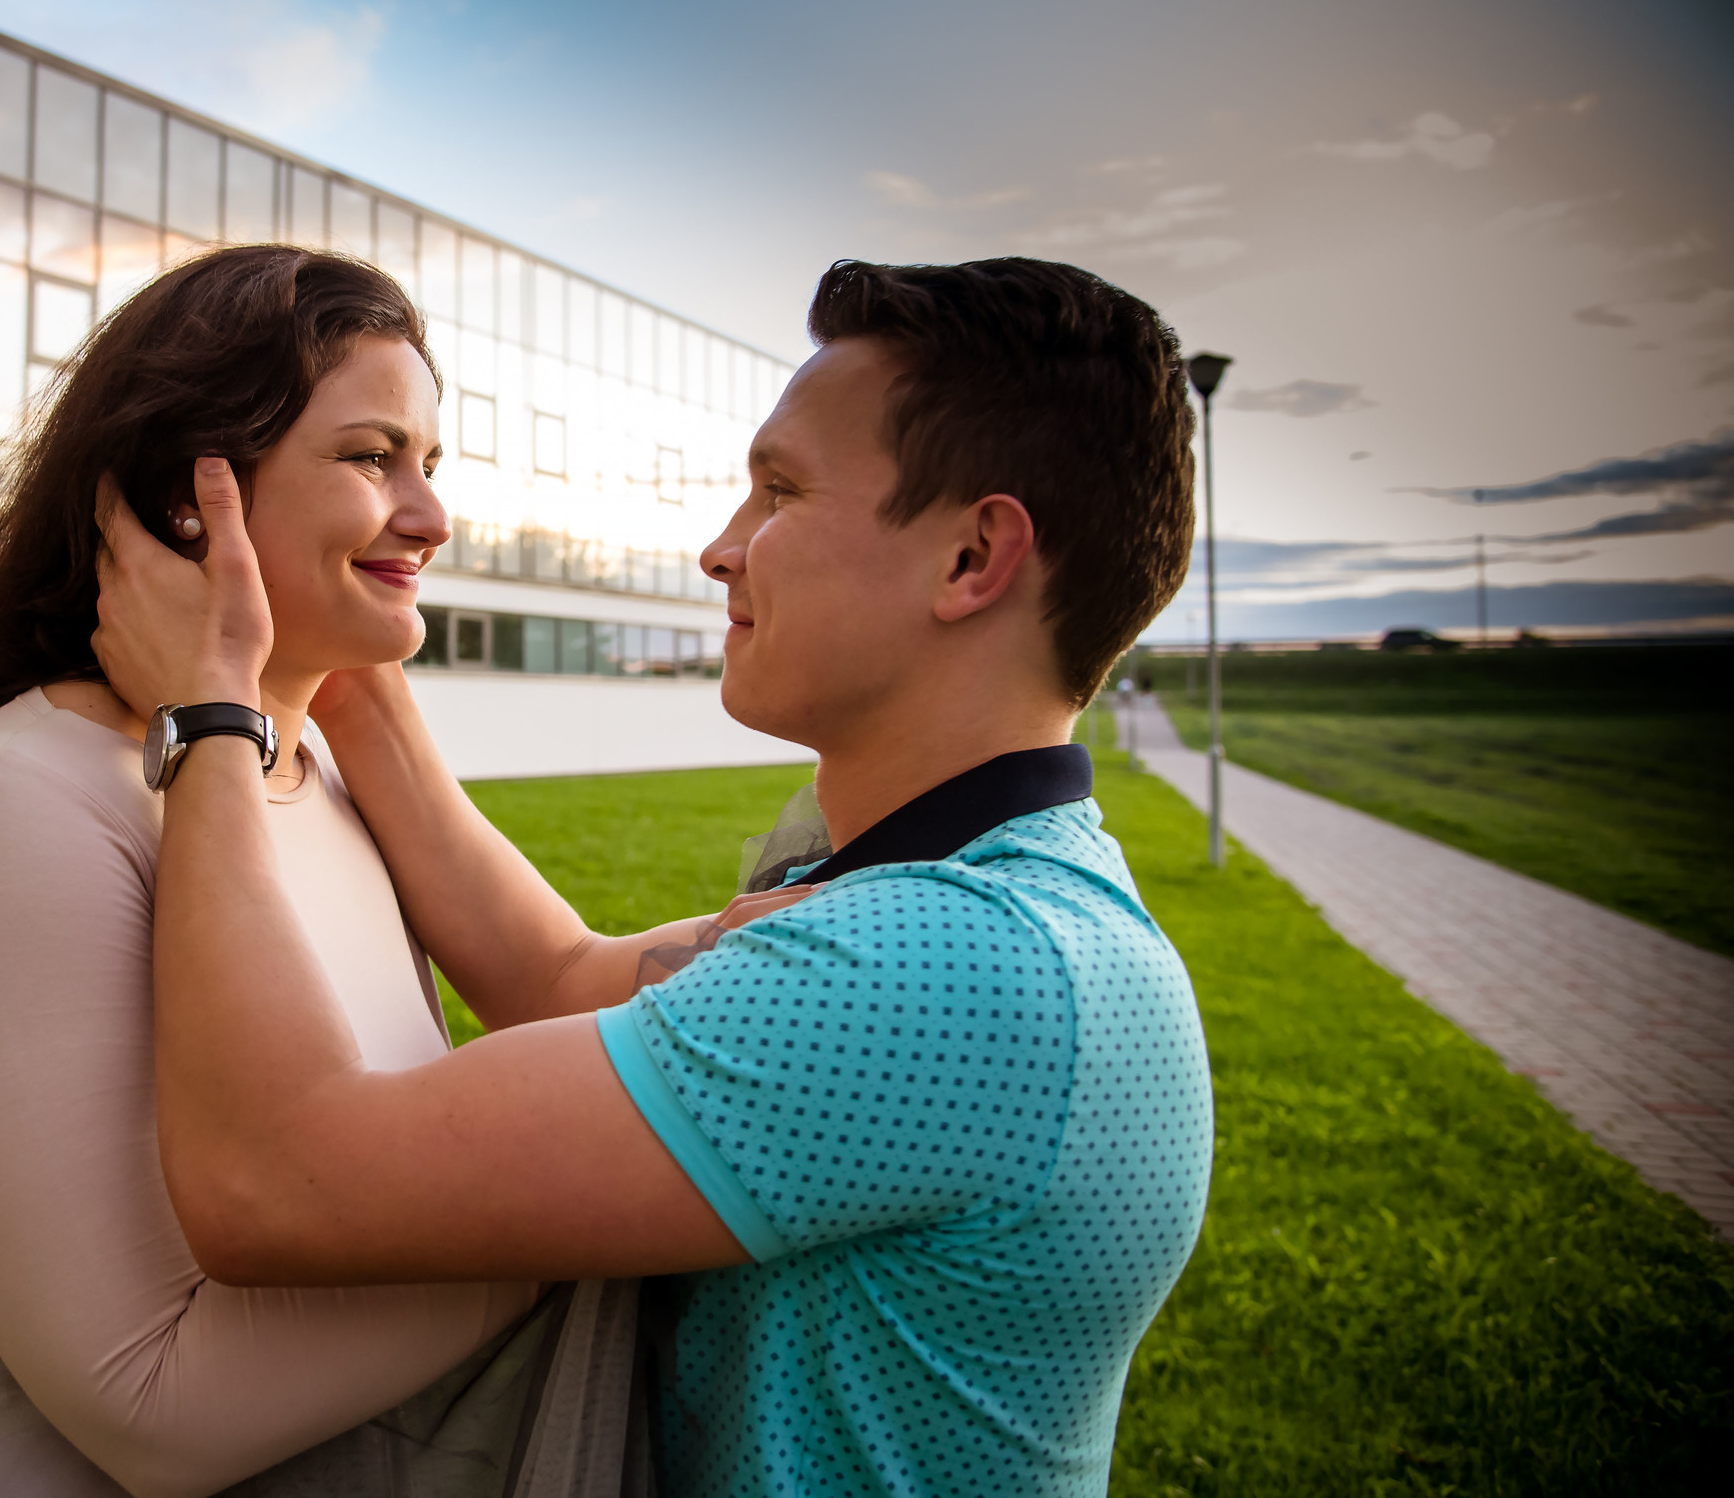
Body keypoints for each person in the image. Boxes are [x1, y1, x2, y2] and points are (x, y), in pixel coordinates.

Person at [92, 257, 1217, 1496]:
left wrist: (206, 719)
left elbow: (273, 1178)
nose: (717, 549)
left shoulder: (941, 971)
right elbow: (555, 977)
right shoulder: (1005, 892)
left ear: (971, 559)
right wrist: (332, 630)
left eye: (779, 493)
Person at [0, 246, 662, 1498]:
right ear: (185, 493)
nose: (429, 517)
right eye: (374, 458)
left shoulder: (310, 767)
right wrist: (630, 1206)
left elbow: (558, 972)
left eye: (429, 464)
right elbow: (154, 1406)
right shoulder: (12, 807)